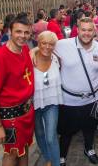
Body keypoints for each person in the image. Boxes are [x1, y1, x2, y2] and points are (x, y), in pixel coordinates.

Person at [55, 17, 98, 165]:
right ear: (77, 30)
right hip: (68, 101)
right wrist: (33, 53)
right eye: (83, 30)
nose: (86, 33)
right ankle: (62, 157)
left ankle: (89, 149)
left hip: (92, 99)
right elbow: (43, 46)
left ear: (94, 31)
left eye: (89, 30)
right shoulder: (62, 45)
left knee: (90, 128)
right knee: (66, 132)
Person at [0, 15, 35, 166]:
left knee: (24, 150)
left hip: (26, 114)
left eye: (26, 33)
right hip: (9, 119)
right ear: (10, 32)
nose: (22, 36)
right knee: (12, 155)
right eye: (18, 32)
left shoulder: (25, 49)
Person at [32, 31, 62, 166]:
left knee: (51, 137)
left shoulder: (56, 58)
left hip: (52, 103)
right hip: (34, 103)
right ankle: (48, 158)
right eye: (44, 43)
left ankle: (55, 163)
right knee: (39, 134)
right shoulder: (30, 59)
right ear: (38, 43)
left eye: (51, 44)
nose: (47, 47)